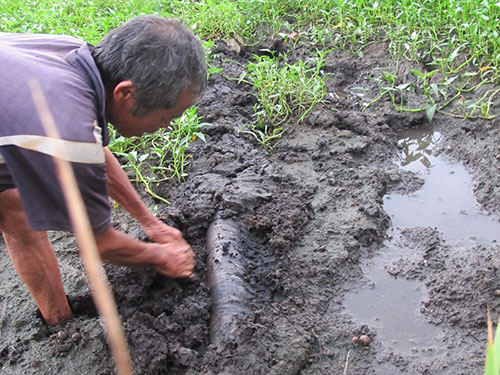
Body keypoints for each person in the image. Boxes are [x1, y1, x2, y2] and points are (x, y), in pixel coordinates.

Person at [0, 15, 207, 325]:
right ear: (125, 94)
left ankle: (58, 321)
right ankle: (62, 327)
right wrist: (163, 257)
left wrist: (150, 222)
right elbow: (100, 244)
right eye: (167, 116)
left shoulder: (76, 57)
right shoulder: (66, 127)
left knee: (14, 205)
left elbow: (95, 152)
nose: (165, 128)